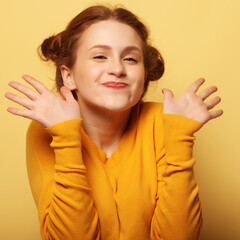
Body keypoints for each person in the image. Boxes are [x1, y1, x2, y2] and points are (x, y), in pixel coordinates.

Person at [5, 5, 223, 240]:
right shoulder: (47, 130)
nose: (118, 69)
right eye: (99, 56)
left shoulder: (165, 123)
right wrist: (67, 138)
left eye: (131, 58)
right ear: (68, 75)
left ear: (144, 74)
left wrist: (180, 137)